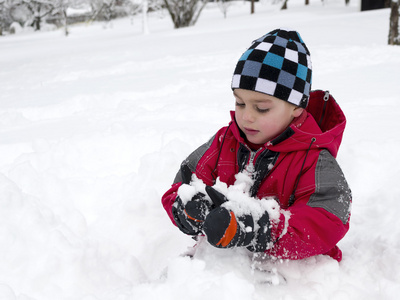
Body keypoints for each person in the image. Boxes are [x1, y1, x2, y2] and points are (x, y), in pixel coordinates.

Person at [161, 28, 351, 262]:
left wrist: (260, 228)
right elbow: (182, 183)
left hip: (295, 278)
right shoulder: (225, 141)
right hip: (225, 272)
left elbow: (329, 220)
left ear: (297, 108)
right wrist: (187, 209)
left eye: (261, 108)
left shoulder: (314, 159)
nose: (247, 117)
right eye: (240, 103)